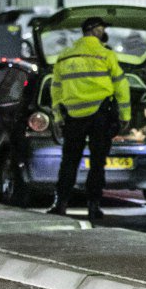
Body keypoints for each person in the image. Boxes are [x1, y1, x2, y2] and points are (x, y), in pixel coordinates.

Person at [46, 16, 131, 221]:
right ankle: (93, 206)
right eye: (101, 29)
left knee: (69, 161)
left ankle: (61, 203)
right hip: (100, 115)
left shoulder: (64, 56)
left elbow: (55, 89)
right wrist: (125, 116)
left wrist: (58, 116)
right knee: (97, 162)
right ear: (93, 30)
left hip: (73, 116)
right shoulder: (105, 54)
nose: (104, 32)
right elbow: (121, 86)